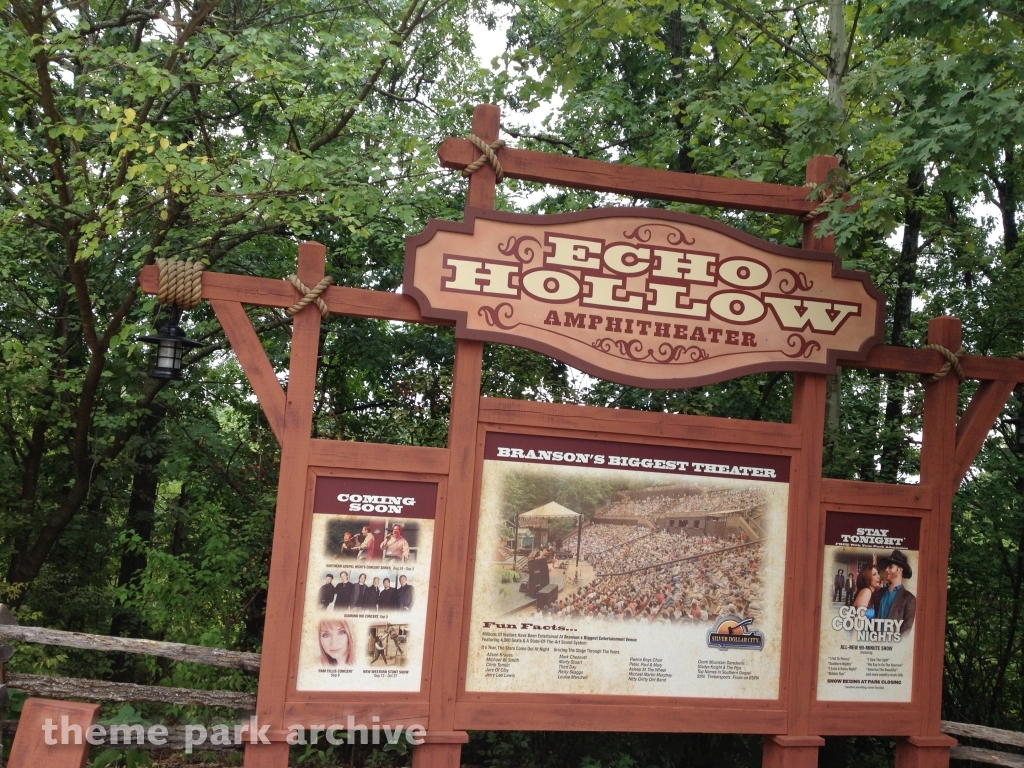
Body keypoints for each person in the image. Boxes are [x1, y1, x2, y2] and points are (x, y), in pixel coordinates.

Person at [870, 549, 917, 634]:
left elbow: (906, 630)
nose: (886, 570)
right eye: (887, 567)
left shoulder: (909, 599)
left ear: (899, 570)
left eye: (890, 567)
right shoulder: (879, 593)